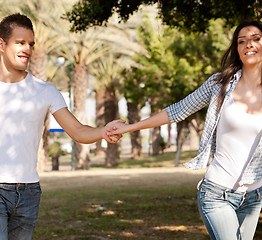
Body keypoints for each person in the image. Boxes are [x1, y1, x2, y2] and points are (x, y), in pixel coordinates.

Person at [109, 20, 262, 240]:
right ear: (237, 50)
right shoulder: (219, 85)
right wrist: (131, 127)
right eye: (242, 41)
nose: (249, 44)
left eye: (256, 38)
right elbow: (178, 110)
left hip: (254, 195)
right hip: (217, 193)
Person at [0, 13, 123, 240]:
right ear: (2, 44)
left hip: (28, 191)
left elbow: (76, 131)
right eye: (20, 43)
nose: (27, 49)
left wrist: (102, 131)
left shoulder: (44, 90)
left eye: (30, 44)